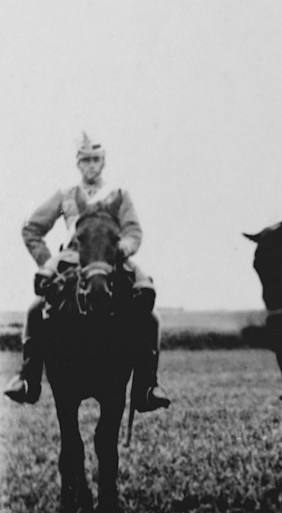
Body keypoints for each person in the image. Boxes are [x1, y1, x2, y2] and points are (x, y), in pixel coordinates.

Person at [4, 133, 170, 411]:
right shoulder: (66, 194)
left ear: (103, 162)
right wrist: (48, 261)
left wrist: (125, 247)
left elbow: (133, 230)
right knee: (35, 307)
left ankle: (148, 387)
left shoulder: (118, 194)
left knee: (149, 308)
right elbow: (31, 229)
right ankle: (27, 379)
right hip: (73, 257)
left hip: (111, 257)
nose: (91, 165)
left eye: (96, 160)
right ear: (78, 164)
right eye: (86, 161)